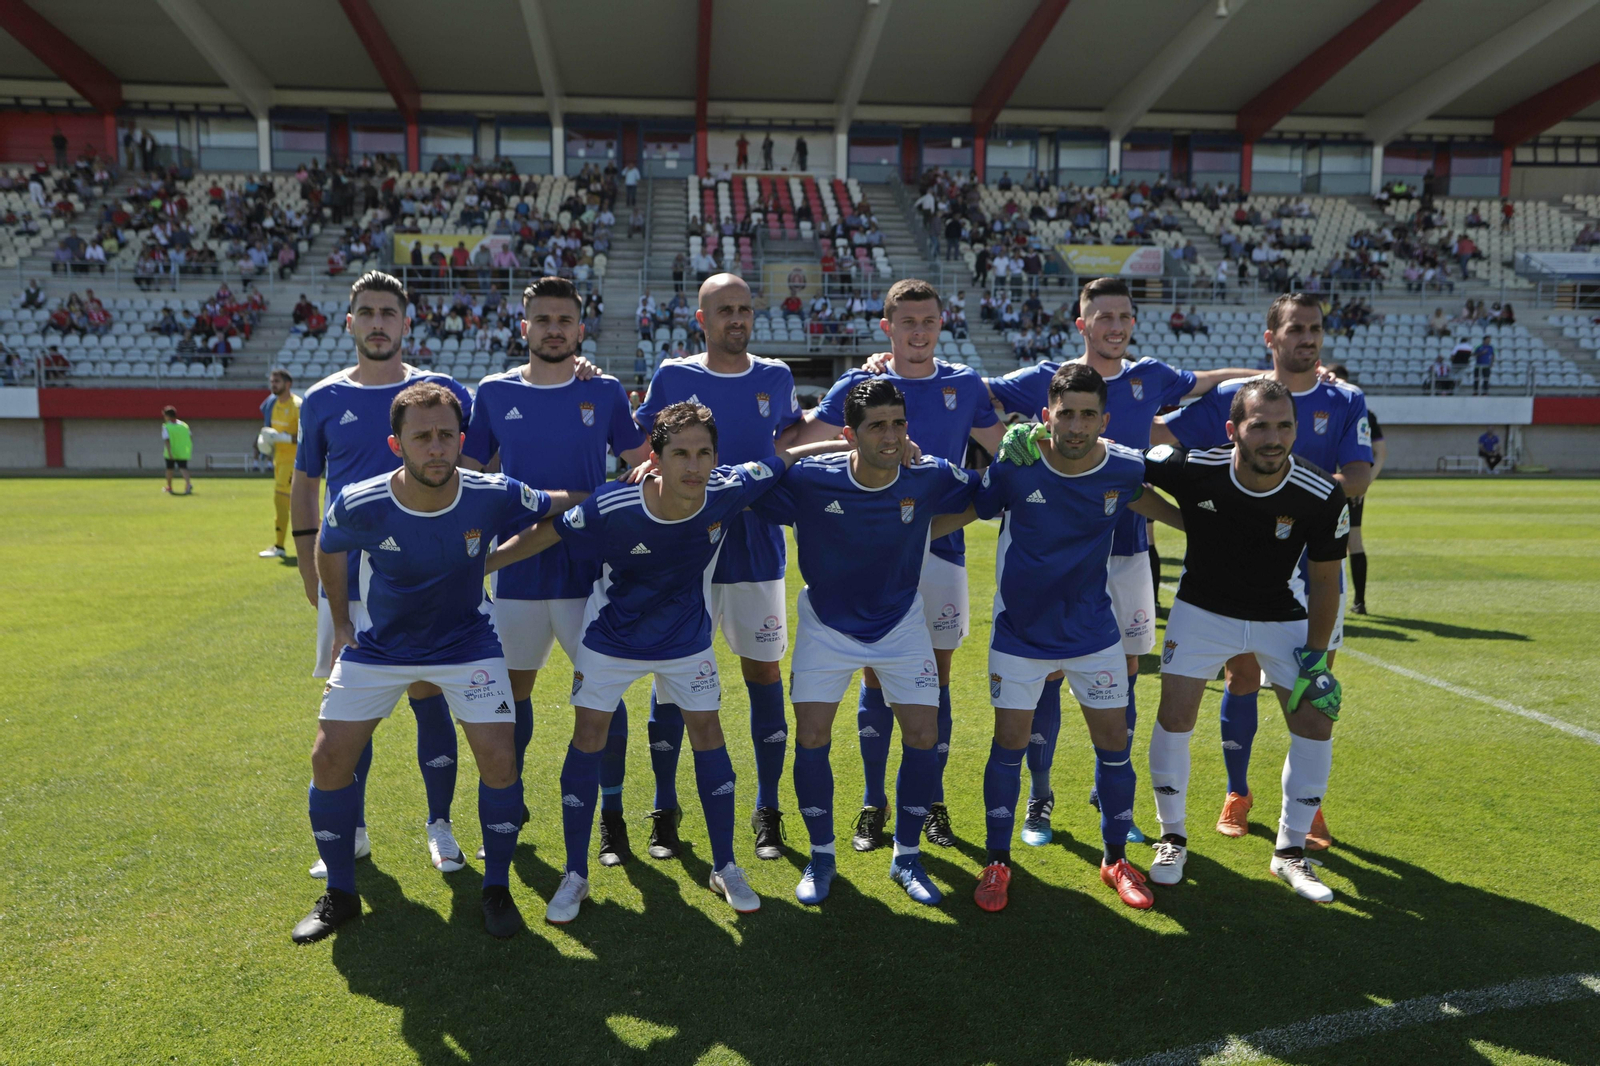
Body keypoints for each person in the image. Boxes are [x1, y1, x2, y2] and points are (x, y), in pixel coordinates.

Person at [486, 402, 836, 924]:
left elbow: (787, 456)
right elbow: (551, 532)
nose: (693, 467)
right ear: (656, 457)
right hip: (611, 637)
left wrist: (854, 445)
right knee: (587, 739)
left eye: (703, 454)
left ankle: (724, 865)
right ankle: (575, 874)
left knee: (709, 735)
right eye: (680, 454)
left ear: (716, 458)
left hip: (685, 640)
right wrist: (483, 566)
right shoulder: (616, 503)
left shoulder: (727, 487)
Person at [290, 381, 585, 944]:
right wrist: (341, 624)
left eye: (446, 435)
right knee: (329, 758)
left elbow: (557, 508)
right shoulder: (361, 499)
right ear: (396, 443)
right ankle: (341, 895)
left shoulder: (491, 492)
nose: (436, 447)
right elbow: (328, 547)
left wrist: (497, 558)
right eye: (421, 436)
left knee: (500, 759)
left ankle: (495, 888)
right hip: (379, 646)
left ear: (460, 439)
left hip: (466, 643)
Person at [980, 277, 1261, 847]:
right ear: (1081, 323)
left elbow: (1211, 383)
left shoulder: (1150, 376)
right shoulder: (1048, 378)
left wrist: (1272, 375)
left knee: (1126, 673)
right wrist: (1000, 444)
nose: (1115, 325)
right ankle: (1039, 799)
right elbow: (969, 394)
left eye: (1124, 317)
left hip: (1129, 549)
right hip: (1051, 548)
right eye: (1103, 316)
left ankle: (1109, 798)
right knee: (1049, 673)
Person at [782, 278, 1008, 851]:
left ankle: (929, 803)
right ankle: (872, 801)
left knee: (935, 680)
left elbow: (1005, 452)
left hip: (941, 548)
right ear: (887, 327)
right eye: (907, 322)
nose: (918, 332)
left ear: (941, 324)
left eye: (928, 322)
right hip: (871, 547)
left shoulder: (963, 384)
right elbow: (795, 445)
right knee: (872, 671)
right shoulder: (859, 384)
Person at [953, 365, 1178, 913]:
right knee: (1007, 748)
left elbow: (1171, 510)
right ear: (1046, 416)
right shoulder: (1016, 466)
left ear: (1104, 420)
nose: (1074, 426)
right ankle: (998, 861)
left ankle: (1116, 857)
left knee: (1114, 749)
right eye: (1064, 413)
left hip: (1094, 635)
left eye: (1086, 415)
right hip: (1020, 637)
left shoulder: (1123, 469)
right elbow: (968, 505)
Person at [1155, 292, 1371, 848]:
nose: (1308, 338)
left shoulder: (1345, 397)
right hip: (1227, 570)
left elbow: (1357, 475)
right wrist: (1227, 517)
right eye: (1295, 328)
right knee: (1240, 675)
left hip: (1311, 560)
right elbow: (1158, 441)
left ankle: (1304, 814)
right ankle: (1236, 791)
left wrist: (1292, 512)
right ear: (1271, 338)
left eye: (1315, 328)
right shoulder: (1232, 395)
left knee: (1310, 689)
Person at [750, 380, 978, 907]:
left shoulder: (928, 476)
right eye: (877, 426)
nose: (893, 435)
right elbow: (757, 476)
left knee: (923, 735)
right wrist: (822, 445)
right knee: (811, 739)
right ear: (851, 434)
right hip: (826, 626)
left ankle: (907, 856)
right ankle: (821, 855)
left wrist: (922, 527)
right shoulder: (812, 478)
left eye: (899, 423)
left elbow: (986, 496)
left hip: (901, 625)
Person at [291, 271, 476, 879]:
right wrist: (311, 570)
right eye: (365, 312)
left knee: (429, 697)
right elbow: (306, 485)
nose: (377, 323)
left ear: (405, 322)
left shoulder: (441, 391)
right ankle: (356, 829)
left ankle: (440, 825)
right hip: (349, 570)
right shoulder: (321, 399)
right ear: (350, 323)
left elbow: (477, 464)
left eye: (387, 313)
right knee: (354, 706)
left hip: (428, 570)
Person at [460, 277, 651, 867]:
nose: (552, 330)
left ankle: (612, 816)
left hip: (588, 571)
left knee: (601, 694)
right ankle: (509, 800)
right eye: (541, 320)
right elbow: (471, 474)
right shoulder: (492, 392)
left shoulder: (607, 391)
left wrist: (613, 502)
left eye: (563, 321)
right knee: (513, 696)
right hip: (516, 569)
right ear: (524, 328)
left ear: (579, 329)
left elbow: (643, 466)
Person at [1141, 378, 1350, 903]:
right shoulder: (1194, 467)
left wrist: (1317, 659)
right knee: (1176, 714)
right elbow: (1119, 463)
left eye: (1284, 426)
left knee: (1314, 721)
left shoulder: (1322, 492)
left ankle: (1289, 852)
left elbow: (1325, 579)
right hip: (1202, 610)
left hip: (1282, 614)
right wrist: (1040, 435)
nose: (1273, 437)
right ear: (1234, 430)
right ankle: (1173, 838)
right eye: (1260, 426)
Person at [629, 273, 803, 862]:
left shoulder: (776, 378)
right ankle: (663, 807)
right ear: (700, 318)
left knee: (763, 678)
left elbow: (800, 439)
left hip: (758, 555)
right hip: (685, 556)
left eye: (745, 309)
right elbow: (643, 441)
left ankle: (769, 808)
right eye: (724, 310)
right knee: (672, 682)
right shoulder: (675, 376)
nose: (737, 318)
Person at [1328, 366, 1384, 615]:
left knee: (1352, 541)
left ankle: (1358, 602)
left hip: (1344, 487)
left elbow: (1381, 452)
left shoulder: (1361, 412)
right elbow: (1381, 453)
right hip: (1336, 484)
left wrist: (1364, 482)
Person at [258, 367, 301, 558]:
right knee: (295, 505)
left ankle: (280, 546)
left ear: (288, 384)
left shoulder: (298, 406)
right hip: (279, 460)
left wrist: (282, 438)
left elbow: (305, 438)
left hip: (294, 461)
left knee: (281, 501)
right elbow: (267, 430)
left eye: (277, 381)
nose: (273, 385)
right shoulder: (271, 404)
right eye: (272, 381)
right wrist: (265, 442)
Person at [161, 405, 193, 495]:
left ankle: (169, 486)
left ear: (168, 416)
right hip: (183, 451)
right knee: (183, 468)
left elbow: (167, 440)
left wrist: (170, 452)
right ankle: (188, 484)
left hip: (171, 452)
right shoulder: (184, 425)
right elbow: (190, 436)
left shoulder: (166, 426)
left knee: (169, 469)